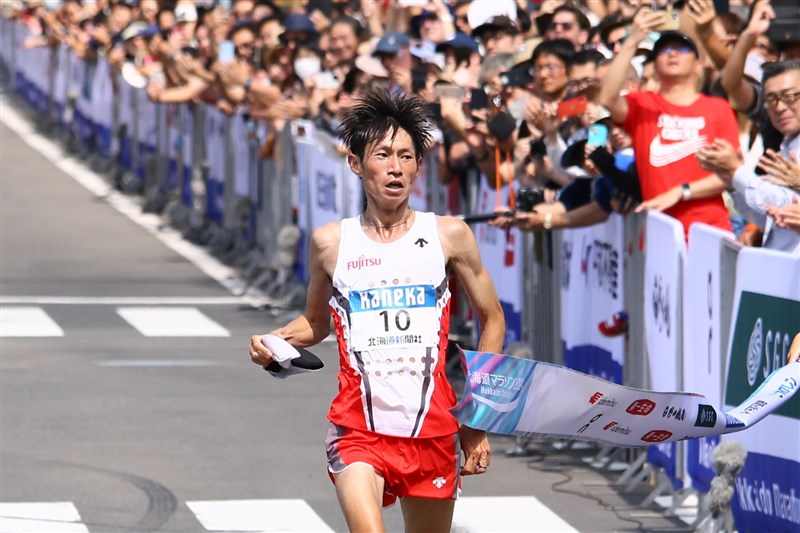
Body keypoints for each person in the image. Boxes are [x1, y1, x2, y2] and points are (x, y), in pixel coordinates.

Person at [248, 87, 506, 533]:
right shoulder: (331, 243)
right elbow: (315, 323)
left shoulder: (449, 235)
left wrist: (477, 417)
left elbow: (493, 320)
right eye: (383, 155)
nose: (395, 167)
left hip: (433, 428)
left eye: (406, 157)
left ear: (419, 167)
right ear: (355, 163)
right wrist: (275, 342)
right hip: (358, 428)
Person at [599, 8, 740, 238]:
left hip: (709, 233)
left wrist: (682, 192)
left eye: (682, 48)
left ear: (698, 65)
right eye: (663, 50)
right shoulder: (641, 105)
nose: (672, 53)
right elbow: (607, 98)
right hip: (659, 235)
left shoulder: (718, 108)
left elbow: (730, 173)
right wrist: (632, 39)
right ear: (654, 66)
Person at [696, 60, 800, 254]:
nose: (779, 107)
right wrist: (730, 180)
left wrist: (737, 171)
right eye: (771, 100)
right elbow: (767, 217)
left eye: (789, 96)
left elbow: (784, 205)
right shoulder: (784, 147)